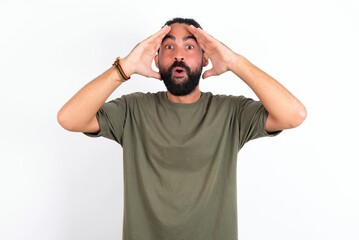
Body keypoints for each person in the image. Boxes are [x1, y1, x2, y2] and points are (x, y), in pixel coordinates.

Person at [57, 17, 307, 240]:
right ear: (156, 58)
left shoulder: (231, 112)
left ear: (204, 58)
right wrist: (125, 67)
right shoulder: (132, 110)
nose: (179, 55)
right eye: (168, 46)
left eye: (189, 47)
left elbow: (293, 115)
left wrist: (234, 61)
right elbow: (69, 118)